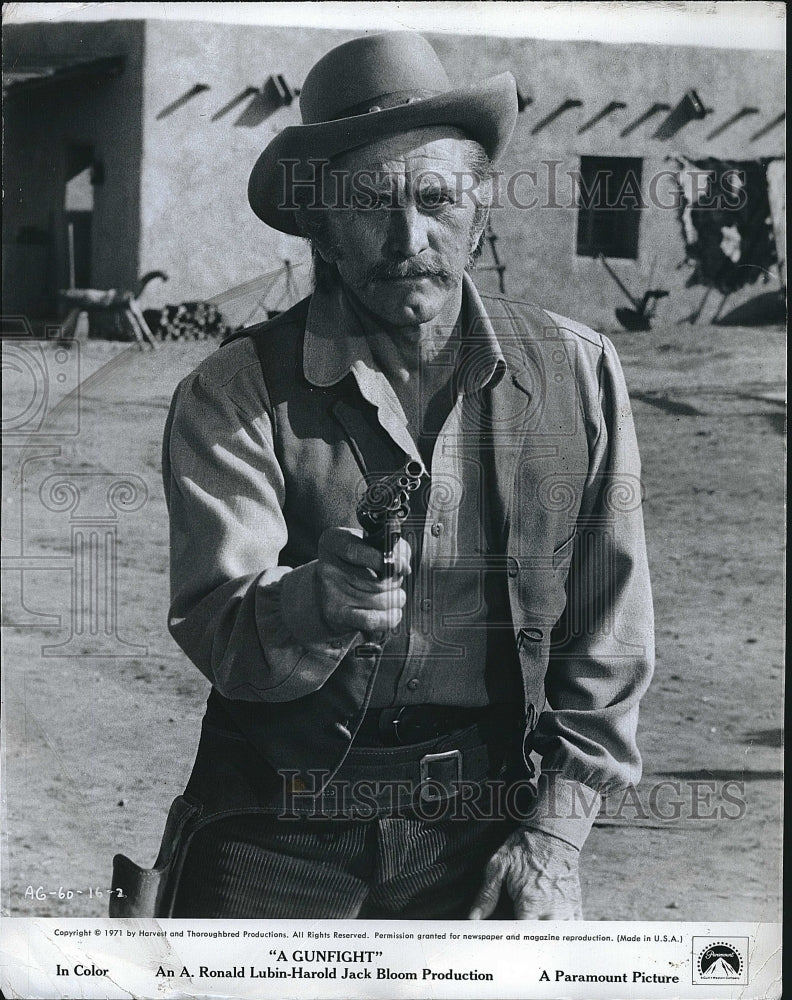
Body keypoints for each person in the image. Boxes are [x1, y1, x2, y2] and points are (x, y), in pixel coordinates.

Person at [159, 31, 654, 920]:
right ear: (318, 223)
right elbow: (218, 625)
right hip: (275, 826)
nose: (409, 238)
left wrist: (556, 835)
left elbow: (609, 628)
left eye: (436, 198)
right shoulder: (232, 393)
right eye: (367, 204)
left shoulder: (579, 374)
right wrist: (315, 601)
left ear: (481, 206)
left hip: (488, 826)